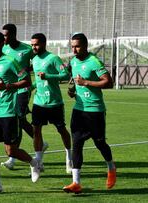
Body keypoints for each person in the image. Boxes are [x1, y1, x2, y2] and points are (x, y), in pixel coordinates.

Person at [0, 31, 40, 195]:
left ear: (2, 44)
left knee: (10, 151)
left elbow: (27, 81)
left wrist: (9, 87)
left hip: (9, 113)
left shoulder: (11, 61)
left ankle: (33, 162)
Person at [63, 33, 116, 194]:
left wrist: (86, 82)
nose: (74, 49)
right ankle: (76, 183)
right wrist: (73, 91)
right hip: (79, 110)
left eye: (77, 46)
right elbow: (75, 82)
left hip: (95, 111)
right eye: (72, 46)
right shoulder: (73, 62)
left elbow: (109, 82)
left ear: (85, 45)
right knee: (77, 144)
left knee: (100, 143)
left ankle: (111, 168)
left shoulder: (94, 62)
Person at [0, 23, 49, 170]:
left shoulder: (27, 49)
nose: (4, 38)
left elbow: (40, 60)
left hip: (23, 88)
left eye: (6, 35)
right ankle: (38, 142)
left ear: (14, 35)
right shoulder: (3, 48)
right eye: (3, 35)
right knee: (18, 119)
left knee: (19, 117)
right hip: (9, 90)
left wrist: (28, 69)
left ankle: (13, 157)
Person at [30, 33, 72, 173]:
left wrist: (48, 76)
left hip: (54, 102)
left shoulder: (53, 58)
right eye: (32, 44)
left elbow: (66, 75)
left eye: (36, 44)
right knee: (36, 131)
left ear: (43, 43)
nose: (33, 47)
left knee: (61, 130)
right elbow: (39, 79)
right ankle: (38, 162)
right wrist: (31, 87)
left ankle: (69, 157)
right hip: (39, 102)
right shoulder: (34, 59)